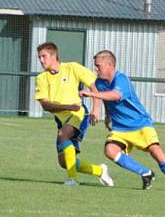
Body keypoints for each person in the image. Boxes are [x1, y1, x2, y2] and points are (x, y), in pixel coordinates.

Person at [80, 50, 165, 192]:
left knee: (156, 152)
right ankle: (146, 172)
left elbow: (115, 95)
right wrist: (104, 114)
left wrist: (91, 93)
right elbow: (103, 97)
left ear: (110, 65)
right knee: (110, 150)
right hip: (120, 128)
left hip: (140, 123)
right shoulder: (99, 82)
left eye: (98, 66)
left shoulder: (121, 79)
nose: (96, 69)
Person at [34, 42, 113, 187]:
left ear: (54, 56)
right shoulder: (41, 78)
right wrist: (67, 106)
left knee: (63, 135)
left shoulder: (72, 68)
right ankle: (99, 170)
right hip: (62, 119)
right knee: (64, 161)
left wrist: (96, 109)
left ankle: (72, 179)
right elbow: (45, 105)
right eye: (39, 57)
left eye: (44, 56)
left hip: (78, 114)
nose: (41, 60)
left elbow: (93, 86)